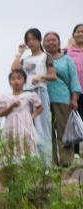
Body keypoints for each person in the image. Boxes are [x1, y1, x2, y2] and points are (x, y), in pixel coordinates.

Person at [13, 28, 57, 166]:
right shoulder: (25, 59)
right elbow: (14, 69)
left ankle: (47, 165)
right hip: (26, 94)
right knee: (28, 129)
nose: (31, 42)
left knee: (43, 128)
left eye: (33, 39)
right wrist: (19, 52)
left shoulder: (45, 56)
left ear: (39, 40)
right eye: (28, 40)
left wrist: (41, 76)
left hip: (40, 92)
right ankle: (33, 164)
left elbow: (53, 76)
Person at [43, 31, 82, 167]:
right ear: (43, 43)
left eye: (53, 40)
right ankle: (51, 162)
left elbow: (74, 81)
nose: (50, 42)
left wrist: (74, 99)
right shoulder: (41, 59)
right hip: (43, 101)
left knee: (64, 132)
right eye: (47, 40)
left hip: (62, 98)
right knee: (47, 133)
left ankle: (66, 162)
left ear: (59, 42)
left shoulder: (67, 59)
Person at [0, 69, 44, 164]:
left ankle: (27, 167)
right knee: (11, 144)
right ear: (10, 82)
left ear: (24, 81)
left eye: (19, 78)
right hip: (11, 126)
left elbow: (40, 107)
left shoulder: (29, 95)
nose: (16, 81)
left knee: (26, 145)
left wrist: (31, 117)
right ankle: (12, 168)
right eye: (13, 79)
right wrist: (11, 106)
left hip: (25, 126)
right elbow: (1, 113)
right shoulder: (5, 97)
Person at [67, 24, 83, 157]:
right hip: (74, 91)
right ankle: (76, 152)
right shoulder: (67, 52)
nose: (80, 34)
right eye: (78, 31)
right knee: (75, 120)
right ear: (73, 35)